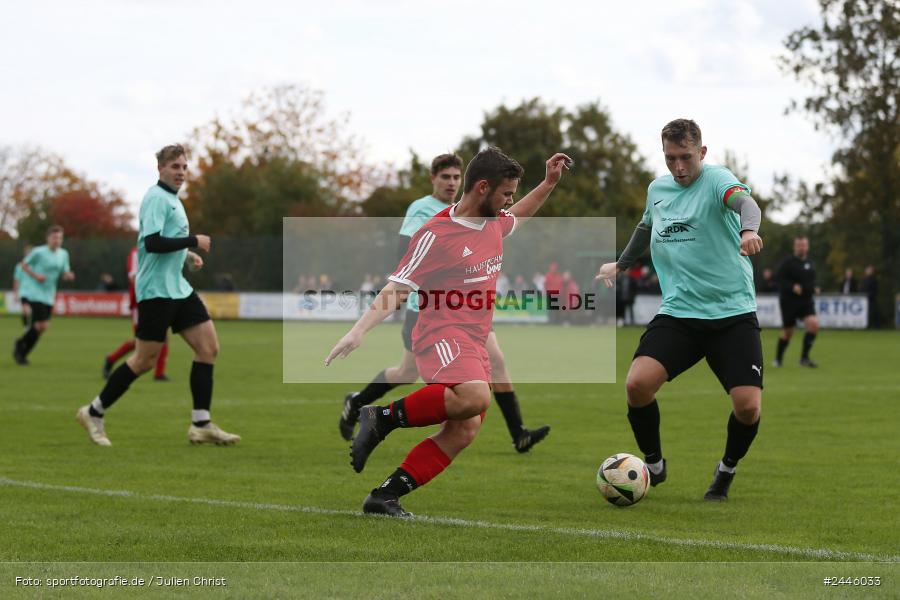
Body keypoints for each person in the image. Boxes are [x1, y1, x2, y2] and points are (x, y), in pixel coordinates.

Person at [327, 148, 570, 517]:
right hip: (439, 333)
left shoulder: (493, 223)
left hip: (473, 338)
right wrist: (358, 331)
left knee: (465, 429)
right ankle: (381, 418)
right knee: (475, 396)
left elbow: (521, 214)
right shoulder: (436, 233)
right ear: (483, 187)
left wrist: (549, 183)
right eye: (506, 193)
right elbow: (398, 287)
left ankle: (383, 497)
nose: (510, 201)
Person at [596, 118, 764, 502]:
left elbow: (746, 204)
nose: (679, 167)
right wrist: (620, 265)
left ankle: (726, 470)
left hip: (731, 314)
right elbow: (645, 227)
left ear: (701, 152)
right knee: (637, 385)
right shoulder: (658, 189)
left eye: (686, 157)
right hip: (680, 313)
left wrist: (749, 231)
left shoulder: (718, 180)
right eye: (671, 158)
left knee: (748, 407)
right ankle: (653, 465)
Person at [76, 144, 239, 447]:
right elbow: (151, 243)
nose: (181, 172)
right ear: (160, 169)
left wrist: (188, 255)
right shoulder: (155, 197)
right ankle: (93, 411)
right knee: (143, 360)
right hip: (155, 292)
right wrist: (194, 240)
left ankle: (201, 423)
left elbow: (169, 241)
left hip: (177, 287)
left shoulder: (174, 200)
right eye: (175, 166)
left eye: (184, 167)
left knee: (208, 348)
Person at [102, 246, 169, 381]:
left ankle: (159, 373)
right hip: (141, 303)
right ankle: (111, 359)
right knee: (141, 342)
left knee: (163, 337)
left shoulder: (160, 250)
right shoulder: (136, 252)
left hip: (158, 301)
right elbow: (133, 277)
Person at [13, 227, 75, 365]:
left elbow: (65, 271)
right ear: (48, 238)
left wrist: (68, 275)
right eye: (54, 238)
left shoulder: (64, 254)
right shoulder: (38, 252)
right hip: (34, 292)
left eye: (59, 238)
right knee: (42, 324)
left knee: (41, 328)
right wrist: (36, 276)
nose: (57, 241)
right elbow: (24, 265)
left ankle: (22, 349)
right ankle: (20, 347)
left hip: (49, 294)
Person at [773, 236, 819, 368]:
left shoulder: (810, 263)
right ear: (795, 246)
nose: (802, 248)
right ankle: (778, 359)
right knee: (788, 332)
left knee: (814, 325)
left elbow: (812, 280)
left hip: (806, 302)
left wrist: (815, 287)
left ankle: (804, 359)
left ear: (807, 246)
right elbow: (779, 279)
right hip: (789, 302)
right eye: (799, 245)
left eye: (804, 245)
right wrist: (792, 286)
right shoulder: (787, 263)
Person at [12, 244, 33, 326]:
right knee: (26, 310)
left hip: (34, 291)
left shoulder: (36, 265)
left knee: (30, 310)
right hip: (23, 291)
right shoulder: (19, 266)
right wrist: (15, 293)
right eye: (27, 252)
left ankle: (30, 326)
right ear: (25, 253)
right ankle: (26, 327)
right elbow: (16, 280)